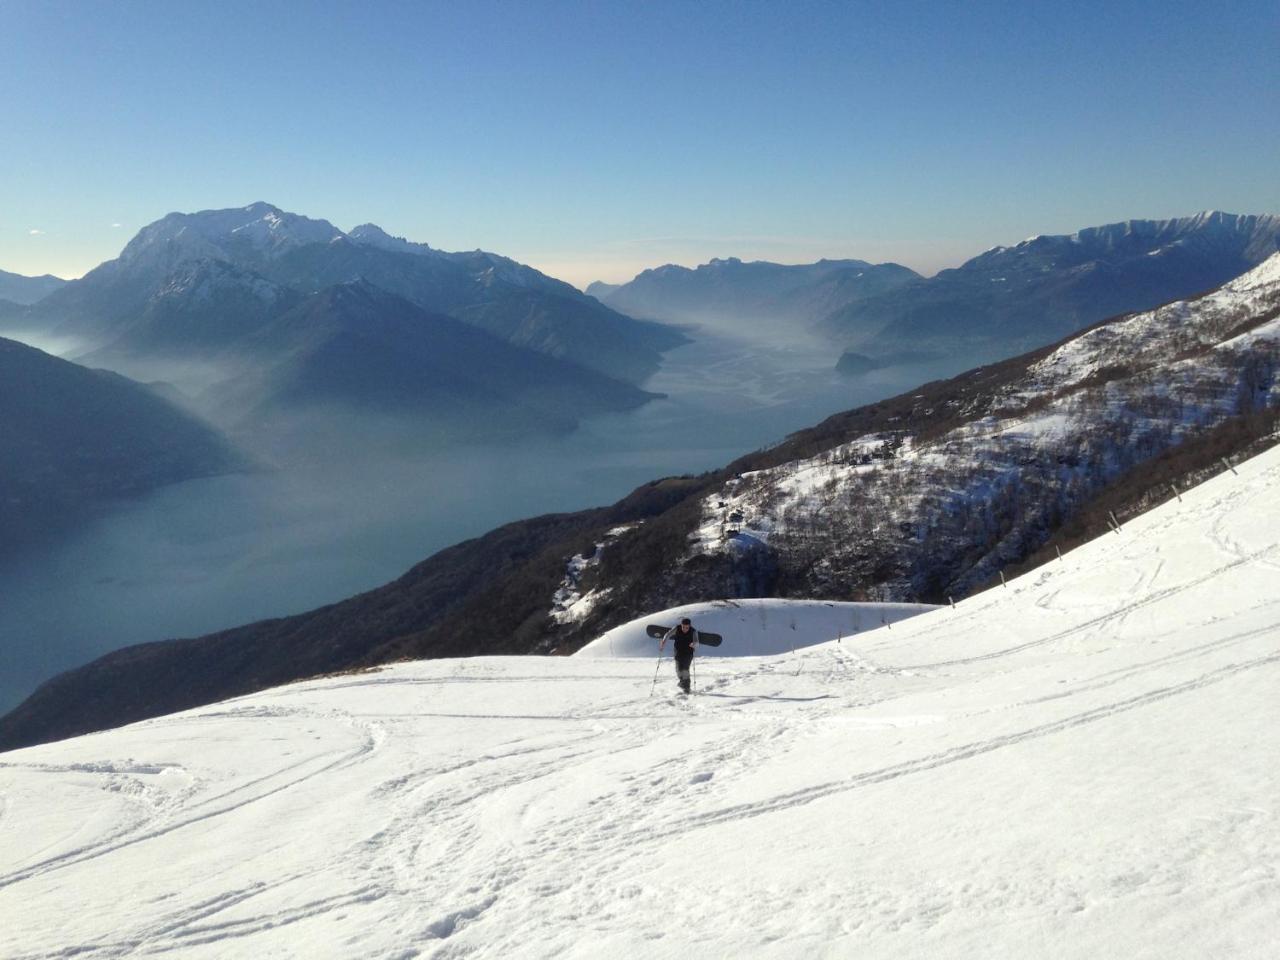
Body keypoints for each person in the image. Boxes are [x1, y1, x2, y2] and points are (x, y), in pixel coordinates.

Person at [660, 617, 700, 694]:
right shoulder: (677, 628)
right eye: (683, 627)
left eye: (687, 627)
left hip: (688, 653)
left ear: (689, 626)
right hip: (678, 652)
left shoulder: (693, 631)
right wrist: (663, 642)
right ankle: (682, 683)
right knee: (678, 670)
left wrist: (694, 644)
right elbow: (667, 635)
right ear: (681, 625)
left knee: (685, 669)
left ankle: (687, 687)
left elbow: (697, 643)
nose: (685, 629)